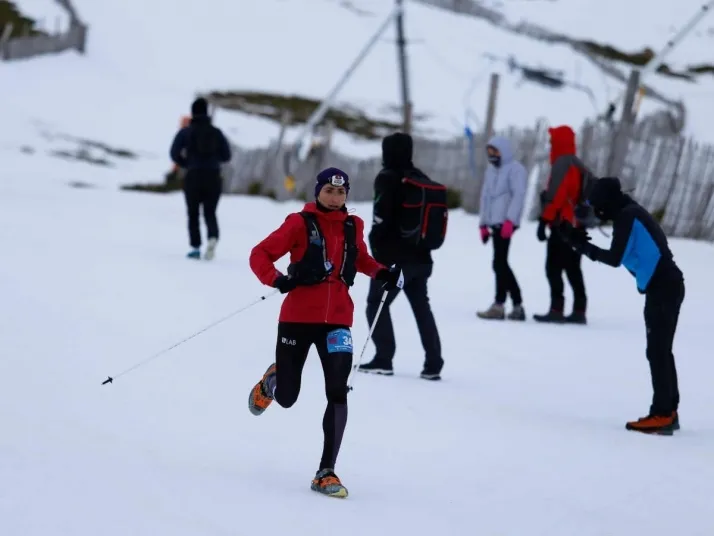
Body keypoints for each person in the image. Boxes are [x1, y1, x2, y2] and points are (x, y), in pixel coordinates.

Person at [247, 167, 403, 498]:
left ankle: (326, 472)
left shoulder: (353, 225)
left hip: (338, 321)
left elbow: (360, 259)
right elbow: (259, 254)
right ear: (318, 191)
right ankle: (272, 381)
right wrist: (276, 279)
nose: (335, 197)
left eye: (341, 192)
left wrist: (382, 273)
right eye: (329, 191)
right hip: (297, 319)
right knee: (287, 397)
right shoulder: (298, 223)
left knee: (338, 391)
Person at [559, 177, 684, 435]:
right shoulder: (630, 212)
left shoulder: (627, 216)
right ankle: (669, 411)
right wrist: (580, 240)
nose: (597, 212)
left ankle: (662, 414)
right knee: (661, 350)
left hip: (663, 288)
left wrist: (580, 245)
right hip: (667, 286)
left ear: (607, 203)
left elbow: (614, 258)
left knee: (657, 351)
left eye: (598, 207)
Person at [357, 132, 446, 380]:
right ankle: (434, 363)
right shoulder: (419, 178)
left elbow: (381, 218)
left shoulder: (387, 178)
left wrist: (377, 254)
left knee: (376, 304)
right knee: (421, 307)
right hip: (422, 259)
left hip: (394, 260)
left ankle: (383, 358)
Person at [534, 125, 588, 324]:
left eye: (552, 141)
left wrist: (544, 220)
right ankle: (580, 309)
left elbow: (557, 196)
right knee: (573, 268)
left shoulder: (562, 164)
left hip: (563, 224)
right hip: (577, 225)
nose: (550, 145)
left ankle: (556, 309)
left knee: (553, 267)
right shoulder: (578, 164)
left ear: (560, 142)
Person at [170, 97, 232, 260]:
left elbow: (174, 152)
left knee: (193, 213)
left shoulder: (186, 132)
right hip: (213, 176)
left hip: (193, 175)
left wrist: (186, 163)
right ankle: (212, 237)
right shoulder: (216, 132)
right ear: (206, 111)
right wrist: (213, 160)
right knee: (210, 212)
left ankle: (196, 247)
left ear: (192, 112)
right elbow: (227, 155)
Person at [476, 135, 528, 321]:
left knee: (499, 263)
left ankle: (506, 304)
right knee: (500, 263)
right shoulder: (491, 171)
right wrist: (483, 224)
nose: (492, 155)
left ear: (503, 151)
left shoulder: (515, 169)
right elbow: (485, 197)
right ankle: (509, 305)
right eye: (489, 152)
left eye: (495, 151)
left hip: (505, 223)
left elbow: (518, 195)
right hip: (494, 222)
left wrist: (510, 221)